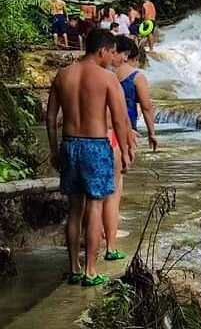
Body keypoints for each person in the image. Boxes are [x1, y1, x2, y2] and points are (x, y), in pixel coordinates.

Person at [46, 29, 134, 287]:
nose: (112, 58)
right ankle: (91, 271)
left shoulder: (63, 75)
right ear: (102, 50)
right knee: (95, 208)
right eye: (111, 52)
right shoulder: (107, 79)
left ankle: (73, 267)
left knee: (75, 210)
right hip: (96, 146)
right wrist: (126, 152)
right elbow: (119, 120)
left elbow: (51, 119)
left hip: (70, 144)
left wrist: (54, 150)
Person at [100, 36, 158, 262]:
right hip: (123, 129)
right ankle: (109, 231)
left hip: (99, 130)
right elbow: (146, 106)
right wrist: (152, 132)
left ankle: (106, 225)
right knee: (116, 183)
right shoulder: (136, 77)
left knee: (104, 182)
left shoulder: (105, 75)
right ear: (126, 55)